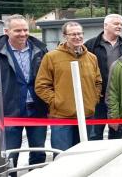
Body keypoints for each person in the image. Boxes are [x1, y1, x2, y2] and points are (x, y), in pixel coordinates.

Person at [35, 21, 102, 152]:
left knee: (83, 155)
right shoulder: (51, 57)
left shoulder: (92, 58)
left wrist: (93, 100)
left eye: (80, 33)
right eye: (73, 34)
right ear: (65, 36)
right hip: (62, 118)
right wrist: (57, 102)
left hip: (87, 116)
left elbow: (98, 82)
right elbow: (41, 85)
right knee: (62, 156)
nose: (77, 37)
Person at [0, 15, 49, 175]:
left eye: (25, 29)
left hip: (37, 108)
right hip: (9, 110)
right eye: (17, 30)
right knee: (10, 153)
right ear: (7, 31)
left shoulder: (40, 50)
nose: (23, 33)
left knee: (39, 151)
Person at [84, 14, 122, 140]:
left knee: (118, 136)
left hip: (119, 99)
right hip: (98, 99)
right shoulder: (91, 45)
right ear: (105, 26)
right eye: (116, 24)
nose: (119, 26)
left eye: (121, 24)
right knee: (94, 135)